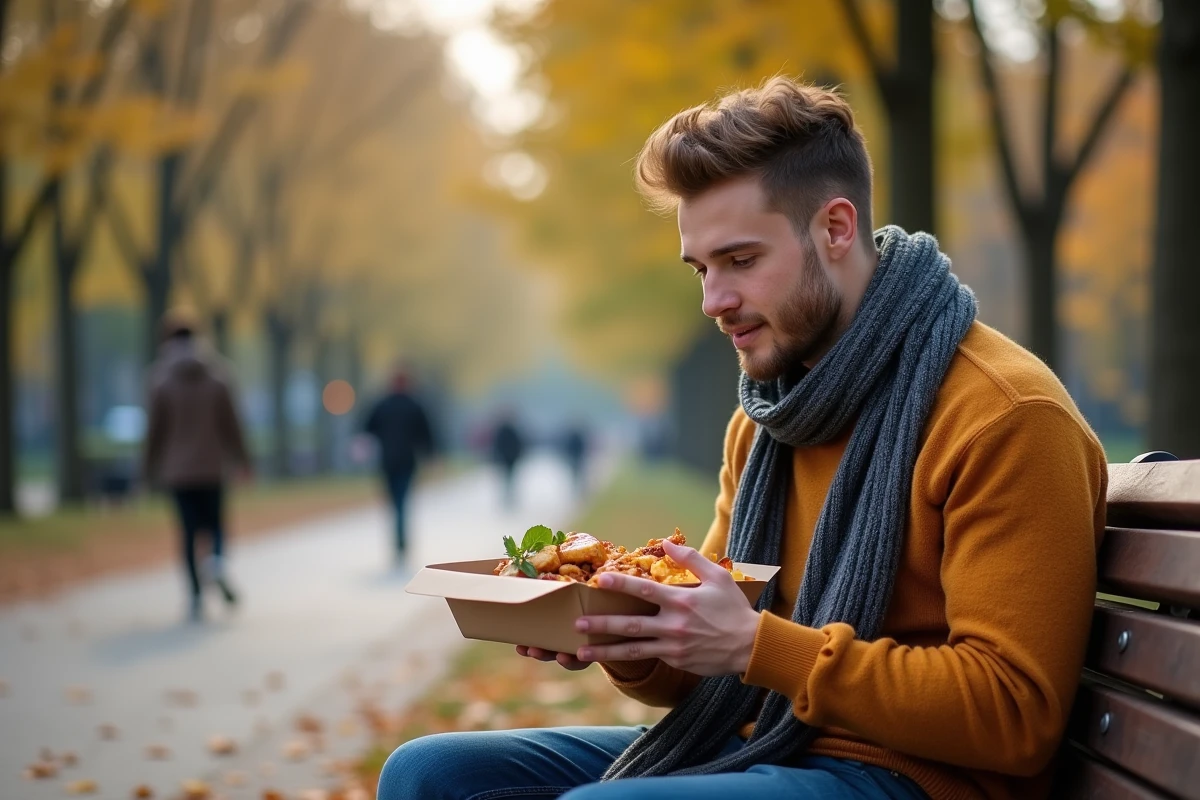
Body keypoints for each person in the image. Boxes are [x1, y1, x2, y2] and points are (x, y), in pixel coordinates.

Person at [378, 78, 1106, 800]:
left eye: (741, 261)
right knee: (426, 774)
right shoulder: (765, 419)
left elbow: (1015, 714)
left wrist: (760, 646)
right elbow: (704, 663)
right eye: (701, 269)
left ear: (836, 228)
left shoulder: (1003, 414)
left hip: (919, 777)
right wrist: (615, 635)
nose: (712, 301)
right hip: (759, 739)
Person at [142, 312, 252, 623]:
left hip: (177, 471)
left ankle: (194, 596)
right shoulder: (218, 375)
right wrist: (243, 460)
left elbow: (155, 432)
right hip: (213, 467)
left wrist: (147, 469)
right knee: (215, 524)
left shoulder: (160, 380)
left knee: (188, 532)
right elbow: (232, 424)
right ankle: (216, 561)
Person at [363, 369, 435, 564]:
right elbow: (426, 434)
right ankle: (401, 541)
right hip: (406, 461)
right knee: (402, 502)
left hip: (387, 462)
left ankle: (398, 541)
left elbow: (367, 427)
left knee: (395, 503)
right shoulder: (414, 405)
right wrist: (431, 456)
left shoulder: (382, 404)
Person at [490, 413, 525, 510]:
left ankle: (507, 497)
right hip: (510, 458)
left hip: (507, 458)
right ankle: (508, 497)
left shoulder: (502, 431)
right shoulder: (512, 430)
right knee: (509, 478)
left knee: (506, 479)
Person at [560, 422, 591, 497]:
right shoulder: (578, 437)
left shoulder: (572, 437)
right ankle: (577, 490)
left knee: (575, 475)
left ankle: (576, 490)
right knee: (578, 475)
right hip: (576, 458)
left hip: (575, 458)